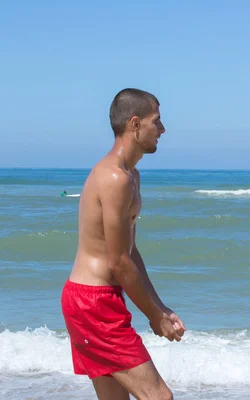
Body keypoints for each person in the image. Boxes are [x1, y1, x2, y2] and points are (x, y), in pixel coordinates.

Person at [61, 88, 185, 400]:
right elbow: (118, 261)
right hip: (92, 303)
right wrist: (153, 316)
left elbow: (129, 250)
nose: (162, 129)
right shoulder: (114, 178)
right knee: (159, 396)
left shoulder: (132, 176)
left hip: (96, 299)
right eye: (156, 121)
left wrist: (161, 308)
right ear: (134, 124)